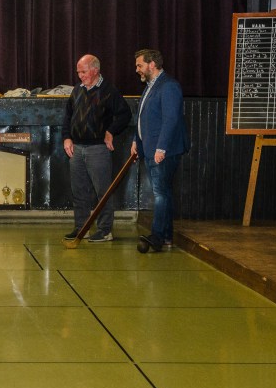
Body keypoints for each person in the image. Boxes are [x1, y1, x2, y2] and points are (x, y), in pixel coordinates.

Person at [61, 54, 132, 242]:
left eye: (83, 72)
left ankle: (104, 230)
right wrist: (66, 138)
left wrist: (111, 131)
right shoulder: (77, 90)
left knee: (103, 192)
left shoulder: (109, 90)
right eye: (78, 72)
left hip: (98, 149)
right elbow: (67, 116)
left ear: (95, 70)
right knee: (79, 191)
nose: (80, 76)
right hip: (76, 148)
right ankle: (81, 228)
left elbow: (125, 114)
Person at [130, 49, 189, 252]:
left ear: (152, 64)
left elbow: (171, 119)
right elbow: (143, 118)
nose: (137, 69)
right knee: (164, 193)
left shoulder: (169, 86)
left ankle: (156, 236)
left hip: (163, 151)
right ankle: (166, 237)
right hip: (150, 149)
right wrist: (136, 141)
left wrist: (161, 148)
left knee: (161, 194)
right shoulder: (151, 86)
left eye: (139, 65)